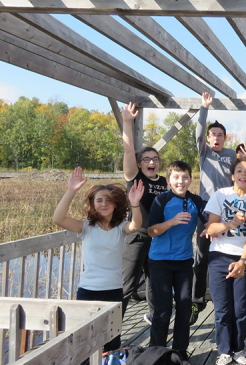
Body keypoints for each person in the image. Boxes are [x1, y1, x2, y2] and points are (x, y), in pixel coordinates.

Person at [52, 167, 144, 352]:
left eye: (108, 201)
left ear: (115, 204)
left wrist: (135, 204)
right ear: (92, 204)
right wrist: (71, 190)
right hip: (88, 291)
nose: (103, 204)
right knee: (86, 341)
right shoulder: (86, 227)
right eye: (99, 200)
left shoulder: (120, 227)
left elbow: (136, 225)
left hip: (114, 291)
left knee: (112, 341)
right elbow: (58, 218)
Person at [193, 93, 246, 323]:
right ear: (209, 139)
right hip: (206, 209)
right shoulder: (205, 153)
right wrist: (204, 109)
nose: (216, 138)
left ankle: (242, 302)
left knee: (237, 253)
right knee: (201, 255)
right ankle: (197, 301)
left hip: (231, 209)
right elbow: (198, 133)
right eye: (213, 135)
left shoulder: (231, 155)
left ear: (225, 137)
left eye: (220, 135)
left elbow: (245, 173)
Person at [203, 157, 246, 365]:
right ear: (232, 176)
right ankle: (224, 351)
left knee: (240, 309)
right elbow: (210, 229)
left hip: (243, 257)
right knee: (222, 309)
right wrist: (231, 223)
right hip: (219, 256)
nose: (243, 174)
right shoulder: (220, 195)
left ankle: (238, 350)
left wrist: (243, 261)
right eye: (239, 170)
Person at [147, 161, 207, 361]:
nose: (180, 181)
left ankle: (180, 352)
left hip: (183, 262)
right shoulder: (161, 200)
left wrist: (220, 226)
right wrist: (171, 222)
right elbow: (151, 231)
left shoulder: (196, 201)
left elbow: (211, 220)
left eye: (185, 177)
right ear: (168, 180)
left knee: (184, 307)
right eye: (176, 177)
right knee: (162, 310)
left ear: (190, 179)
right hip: (160, 261)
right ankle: (157, 353)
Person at [121, 102, 168, 323]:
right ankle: (112, 328)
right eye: (147, 159)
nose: (152, 162)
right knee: (128, 283)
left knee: (154, 280)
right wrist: (127, 122)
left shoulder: (164, 181)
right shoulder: (135, 177)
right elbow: (128, 150)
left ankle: (154, 316)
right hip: (138, 235)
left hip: (156, 236)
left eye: (155, 159)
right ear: (139, 164)